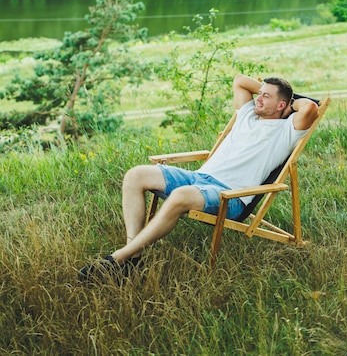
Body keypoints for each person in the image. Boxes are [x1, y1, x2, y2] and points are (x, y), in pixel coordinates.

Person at [78, 74, 318, 283]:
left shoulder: (286, 131)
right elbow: (240, 81)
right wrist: (270, 94)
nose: (259, 98)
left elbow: (310, 109)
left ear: (283, 105)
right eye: (260, 93)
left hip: (229, 196)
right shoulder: (247, 114)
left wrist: (288, 106)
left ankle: (118, 258)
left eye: (266, 96)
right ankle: (134, 257)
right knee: (135, 175)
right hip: (198, 178)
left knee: (181, 196)